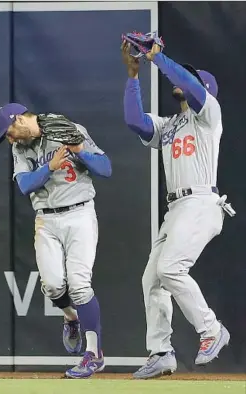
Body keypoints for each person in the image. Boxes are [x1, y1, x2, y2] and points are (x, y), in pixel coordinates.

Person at [121, 40, 231, 379]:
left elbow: (190, 84)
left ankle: (211, 329)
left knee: (170, 269)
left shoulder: (209, 114)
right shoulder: (169, 125)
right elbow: (134, 120)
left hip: (200, 201)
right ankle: (161, 352)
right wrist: (133, 73)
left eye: (191, 79)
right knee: (152, 280)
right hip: (178, 208)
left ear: (202, 89)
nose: (180, 82)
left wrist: (158, 57)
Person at [0, 104, 112, 378]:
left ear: (20, 119)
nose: (9, 139)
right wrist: (49, 166)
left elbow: (105, 169)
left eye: (9, 132)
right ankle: (71, 317)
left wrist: (80, 150)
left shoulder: (71, 131)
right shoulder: (19, 149)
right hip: (46, 220)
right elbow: (25, 185)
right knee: (52, 285)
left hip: (80, 212)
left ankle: (93, 354)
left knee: (80, 285)